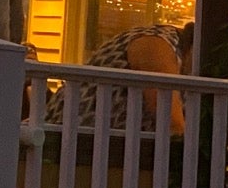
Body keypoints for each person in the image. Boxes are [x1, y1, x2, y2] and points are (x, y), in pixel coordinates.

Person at [46, 21, 195, 133]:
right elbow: (171, 122)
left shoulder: (182, 66)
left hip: (101, 145)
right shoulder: (158, 44)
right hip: (66, 140)